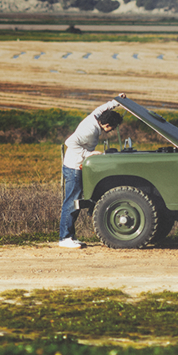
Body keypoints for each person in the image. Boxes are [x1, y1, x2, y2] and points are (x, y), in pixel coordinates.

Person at [57, 96, 124, 248]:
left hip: (75, 166)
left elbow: (102, 108)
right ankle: (65, 238)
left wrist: (117, 102)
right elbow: (69, 142)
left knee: (74, 201)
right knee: (72, 202)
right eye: (112, 128)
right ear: (106, 125)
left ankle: (69, 236)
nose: (112, 130)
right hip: (74, 167)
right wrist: (88, 154)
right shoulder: (90, 130)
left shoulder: (95, 117)